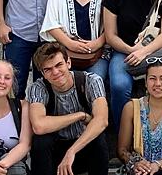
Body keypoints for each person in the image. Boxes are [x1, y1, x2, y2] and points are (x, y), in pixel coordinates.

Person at [26, 42, 110, 175]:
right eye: (48, 69)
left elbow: (102, 120)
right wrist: (79, 115)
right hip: (55, 153)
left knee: (98, 138)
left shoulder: (91, 81)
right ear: (42, 73)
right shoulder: (38, 88)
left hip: (83, 147)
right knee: (40, 141)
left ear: (68, 63)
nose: (55, 72)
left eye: (59, 65)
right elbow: (39, 126)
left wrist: (72, 151)